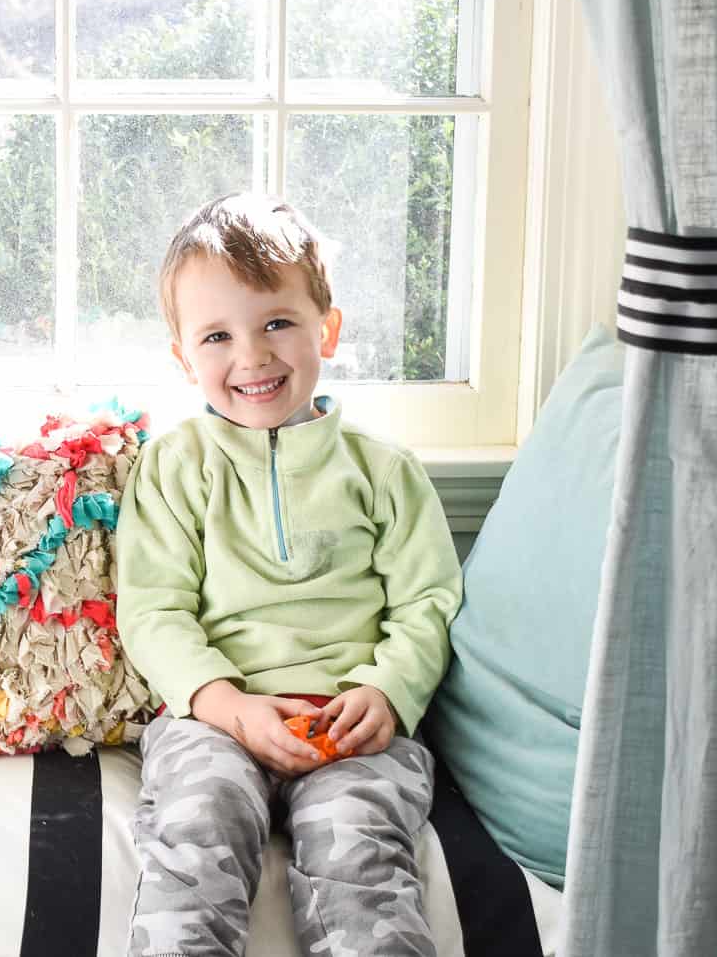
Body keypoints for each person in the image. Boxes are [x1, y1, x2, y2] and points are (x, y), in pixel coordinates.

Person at [116, 193, 463, 957]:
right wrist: (227, 704)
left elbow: (427, 603)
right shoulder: (174, 467)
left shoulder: (383, 471)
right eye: (217, 335)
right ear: (183, 356)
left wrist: (386, 691)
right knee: (196, 819)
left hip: (352, 726)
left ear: (326, 329)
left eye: (276, 322)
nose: (252, 356)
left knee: (359, 849)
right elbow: (153, 611)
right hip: (217, 720)